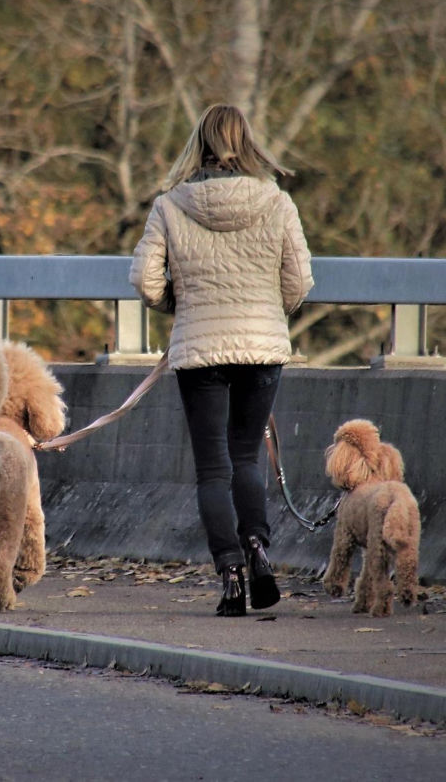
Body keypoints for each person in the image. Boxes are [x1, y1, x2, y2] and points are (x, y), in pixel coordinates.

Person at [129, 103, 314, 617]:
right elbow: (299, 283)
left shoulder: (170, 205)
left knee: (213, 468)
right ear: (247, 142)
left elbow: (144, 282)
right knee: (246, 457)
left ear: (200, 144)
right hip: (261, 348)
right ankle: (258, 547)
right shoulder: (277, 201)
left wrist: (181, 303)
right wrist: (268, 311)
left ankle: (230, 573)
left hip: (201, 349)